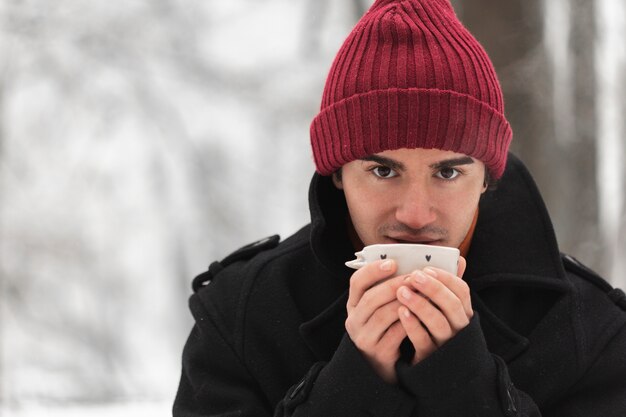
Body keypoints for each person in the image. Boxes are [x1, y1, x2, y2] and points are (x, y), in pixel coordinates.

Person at [173, 0, 626, 415]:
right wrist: (349, 389)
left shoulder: (587, 330)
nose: (415, 214)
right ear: (336, 174)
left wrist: (467, 385)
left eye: (447, 173)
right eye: (383, 172)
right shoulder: (240, 319)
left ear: (487, 178)